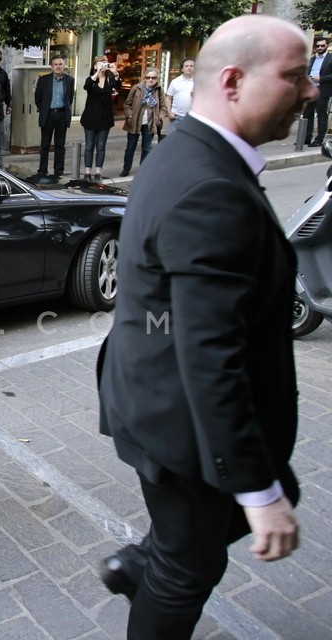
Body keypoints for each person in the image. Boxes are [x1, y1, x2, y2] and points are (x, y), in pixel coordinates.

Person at [95, 15, 315, 639]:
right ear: (234, 81)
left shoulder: (189, 148)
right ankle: (149, 568)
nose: (311, 90)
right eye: (294, 76)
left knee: (220, 524)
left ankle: (141, 562)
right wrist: (258, 493)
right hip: (182, 427)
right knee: (185, 573)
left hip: (155, 400)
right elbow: (210, 353)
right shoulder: (209, 186)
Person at [119, 68, 168, 177]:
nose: (150, 80)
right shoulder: (136, 88)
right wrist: (130, 115)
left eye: (153, 77)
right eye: (148, 77)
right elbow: (127, 104)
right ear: (144, 78)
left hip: (150, 123)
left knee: (146, 148)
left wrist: (159, 117)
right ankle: (126, 169)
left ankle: (143, 170)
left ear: (157, 79)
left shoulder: (159, 90)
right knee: (130, 147)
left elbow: (163, 107)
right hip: (134, 122)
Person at [80, 55, 120, 182]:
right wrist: (97, 72)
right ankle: (87, 172)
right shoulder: (91, 79)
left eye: (105, 63)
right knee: (89, 146)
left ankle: (98, 172)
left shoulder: (110, 79)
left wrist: (115, 72)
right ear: (95, 65)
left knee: (101, 146)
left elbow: (118, 86)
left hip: (105, 118)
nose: (103, 65)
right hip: (90, 117)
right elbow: (86, 86)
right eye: (100, 63)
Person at [34, 57, 75, 181]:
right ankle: (42, 170)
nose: (58, 66)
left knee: (60, 145)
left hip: (62, 114)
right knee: (45, 144)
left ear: (64, 66)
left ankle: (59, 170)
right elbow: (38, 98)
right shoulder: (44, 80)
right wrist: (44, 109)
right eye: (55, 64)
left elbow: (70, 98)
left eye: (60, 64)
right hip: (48, 114)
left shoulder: (69, 80)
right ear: (52, 66)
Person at [303, 38, 331, 147]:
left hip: (322, 90)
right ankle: (306, 138)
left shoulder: (330, 58)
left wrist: (321, 78)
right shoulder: (312, 59)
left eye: (322, 46)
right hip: (311, 89)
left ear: (326, 46)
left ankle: (319, 139)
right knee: (307, 114)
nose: (319, 48)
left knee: (321, 115)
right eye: (318, 46)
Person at [164, 58, 194, 135]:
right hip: (176, 116)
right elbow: (168, 98)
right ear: (182, 69)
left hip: (191, 117)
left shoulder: (199, 82)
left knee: (188, 140)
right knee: (172, 139)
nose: (189, 68)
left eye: (191, 66)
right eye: (186, 66)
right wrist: (169, 112)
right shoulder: (175, 82)